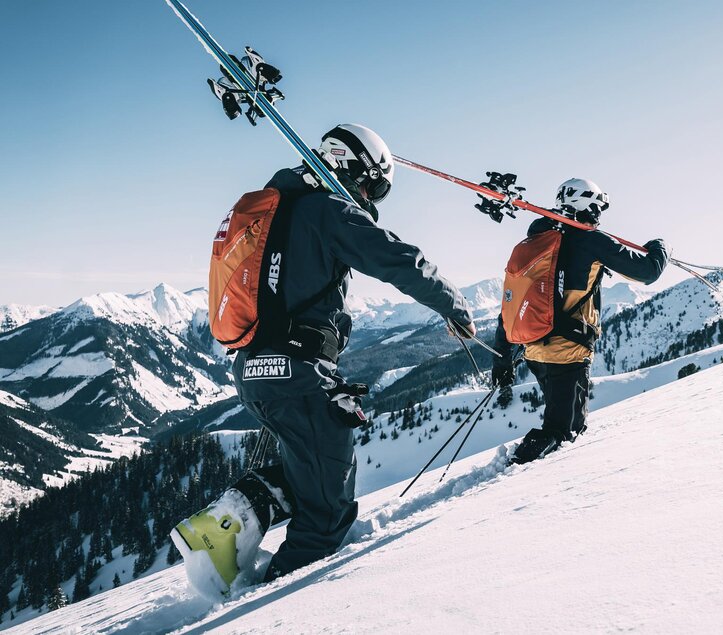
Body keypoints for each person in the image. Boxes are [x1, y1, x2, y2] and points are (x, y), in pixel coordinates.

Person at [171, 123, 476, 596]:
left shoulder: (278, 210)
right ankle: (279, 608)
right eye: (372, 184)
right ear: (348, 166)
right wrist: (452, 305)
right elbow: (398, 258)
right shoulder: (327, 210)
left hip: (256, 368)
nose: (369, 197)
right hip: (296, 370)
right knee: (328, 510)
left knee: (316, 468)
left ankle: (220, 528)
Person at [492, 178, 669, 465]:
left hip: (534, 349)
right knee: (564, 431)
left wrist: (501, 362)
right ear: (588, 205)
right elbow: (646, 272)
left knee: (564, 424)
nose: (599, 216)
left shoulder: (538, 241)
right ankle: (515, 475)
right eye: (598, 208)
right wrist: (661, 248)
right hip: (567, 352)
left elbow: (510, 304)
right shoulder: (591, 240)